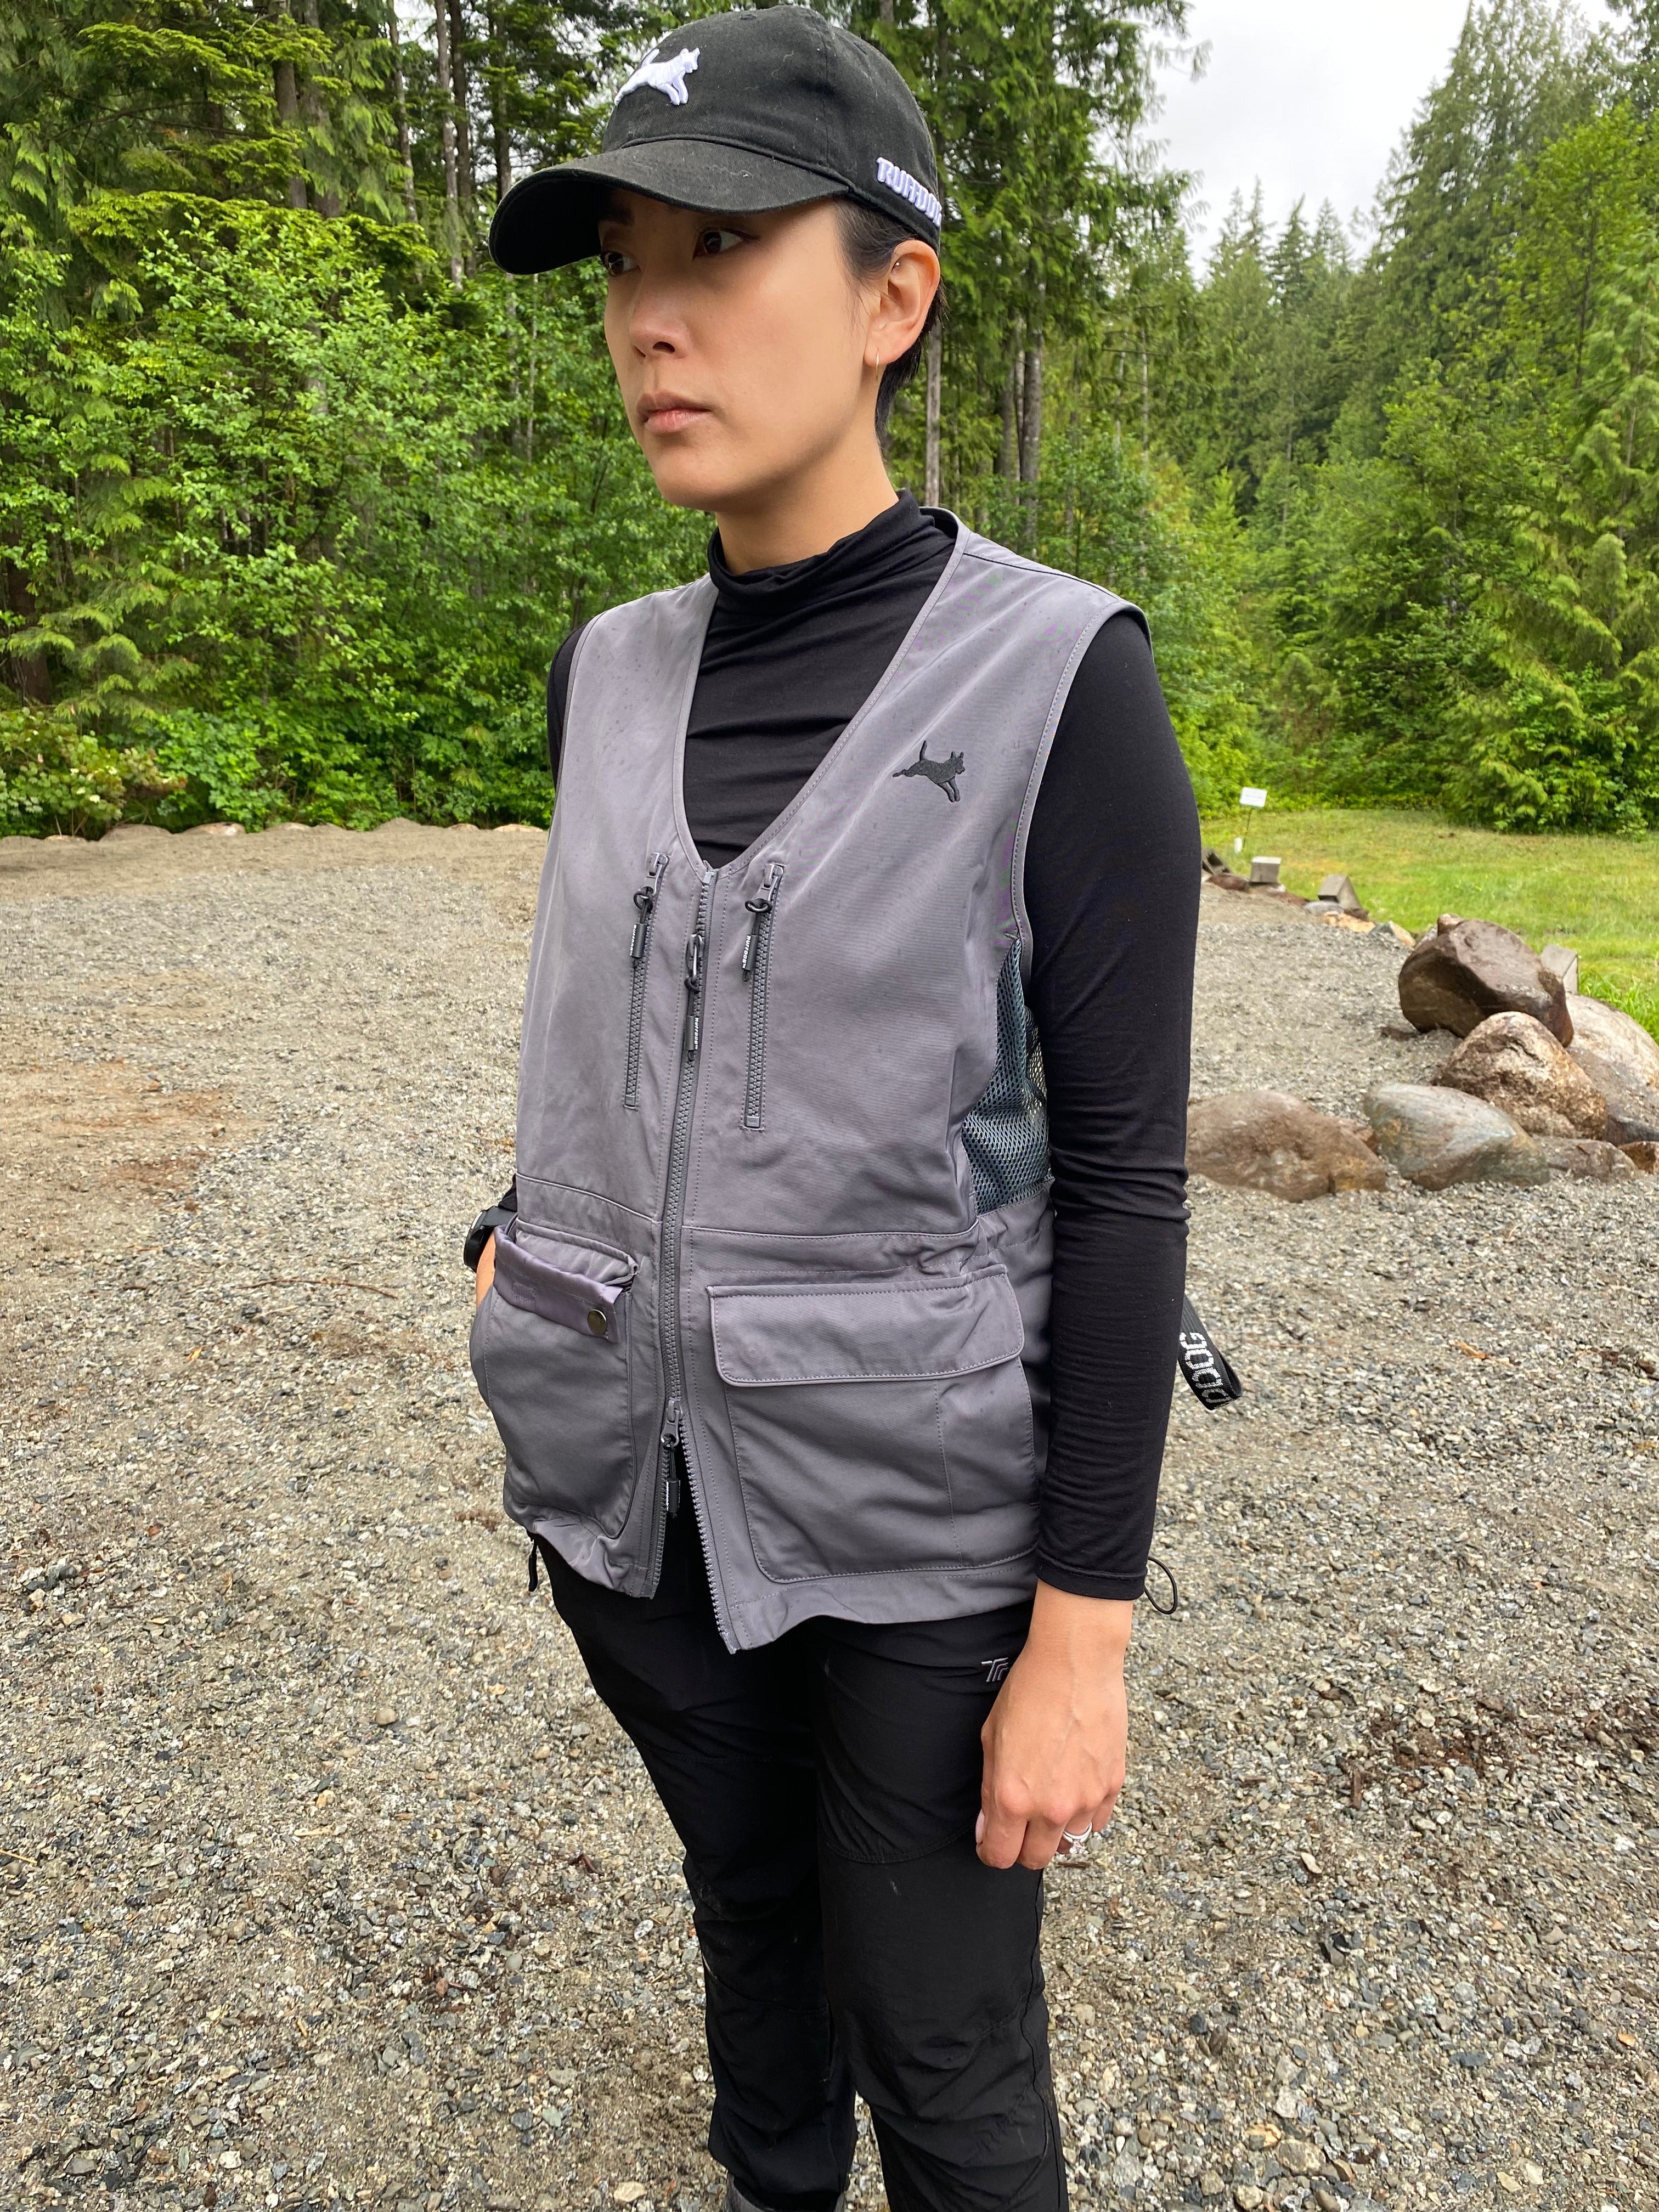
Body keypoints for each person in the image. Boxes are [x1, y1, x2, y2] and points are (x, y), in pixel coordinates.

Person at [464, 12, 1199, 2210]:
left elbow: (1126, 1181)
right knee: (751, 1927)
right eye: (623, 260)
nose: (649, 315)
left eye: (720, 245)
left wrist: (1082, 1635)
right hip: (631, 1500)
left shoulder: (1061, 681)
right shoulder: (608, 669)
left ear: (896, 297)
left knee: (947, 2056)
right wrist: (513, 1233)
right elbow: (631, 1028)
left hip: (920, 1539)